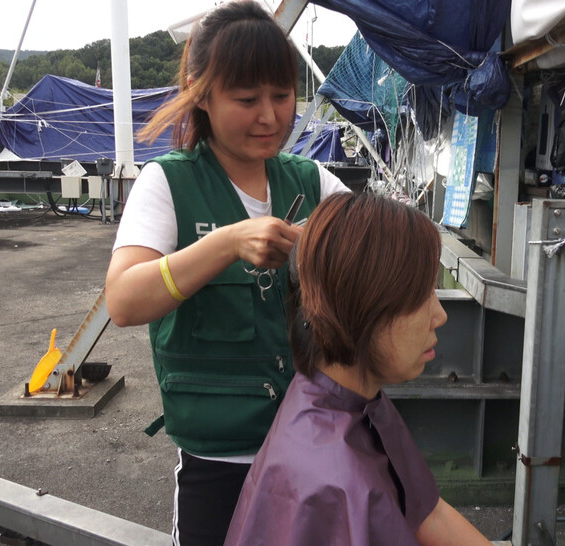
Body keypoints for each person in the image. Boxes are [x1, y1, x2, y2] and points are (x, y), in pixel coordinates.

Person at [104, 2, 348, 544]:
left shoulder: (313, 180)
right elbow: (123, 301)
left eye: (282, 96)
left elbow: (377, 248)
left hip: (312, 446)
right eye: (247, 99)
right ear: (202, 96)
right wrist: (225, 242)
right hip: (217, 462)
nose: (270, 116)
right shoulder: (165, 183)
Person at [225, 192, 490, 546]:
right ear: (361, 305)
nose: (440, 316)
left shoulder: (350, 397)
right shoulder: (336, 484)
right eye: (421, 295)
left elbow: (429, 511)